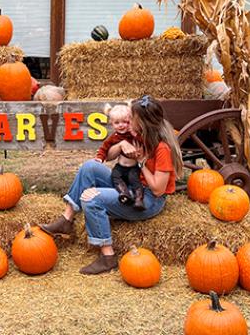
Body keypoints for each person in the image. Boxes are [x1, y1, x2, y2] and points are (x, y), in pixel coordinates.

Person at [40, 95, 183, 275]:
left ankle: (108, 256)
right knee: (89, 167)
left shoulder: (161, 148)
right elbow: (108, 156)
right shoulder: (137, 134)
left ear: (142, 122)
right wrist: (122, 143)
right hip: (131, 184)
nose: (128, 121)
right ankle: (66, 220)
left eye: (132, 118)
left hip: (147, 199)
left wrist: (141, 162)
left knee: (92, 199)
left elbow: (157, 189)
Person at [95, 104, 145, 210]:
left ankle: (139, 199)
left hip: (133, 167)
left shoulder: (134, 135)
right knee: (115, 176)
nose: (121, 125)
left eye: (125, 122)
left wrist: (134, 133)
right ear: (111, 123)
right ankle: (124, 193)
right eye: (117, 123)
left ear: (130, 122)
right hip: (120, 166)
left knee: (134, 179)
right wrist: (100, 158)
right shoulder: (114, 137)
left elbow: (144, 142)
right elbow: (104, 148)